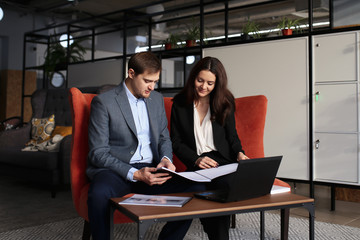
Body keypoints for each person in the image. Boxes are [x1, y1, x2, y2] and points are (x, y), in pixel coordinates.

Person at [87, 52, 205, 240]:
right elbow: (98, 153)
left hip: (152, 170)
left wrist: (166, 159)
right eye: (148, 80)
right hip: (116, 171)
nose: (152, 86)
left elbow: (163, 138)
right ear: (132, 73)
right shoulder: (104, 102)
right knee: (98, 194)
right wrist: (134, 173)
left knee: (198, 189)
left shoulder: (156, 99)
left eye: (156, 81)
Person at [170, 56, 249, 240]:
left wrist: (240, 153)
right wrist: (196, 159)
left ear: (217, 83)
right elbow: (176, 141)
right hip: (197, 162)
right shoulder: (180, 104)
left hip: (223, 161)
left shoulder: (225, 101)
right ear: (193, 78)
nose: (203, 87)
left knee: (225, 188)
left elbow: (232, 136)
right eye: (200, 80)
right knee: (196, 189)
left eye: (210, 83)